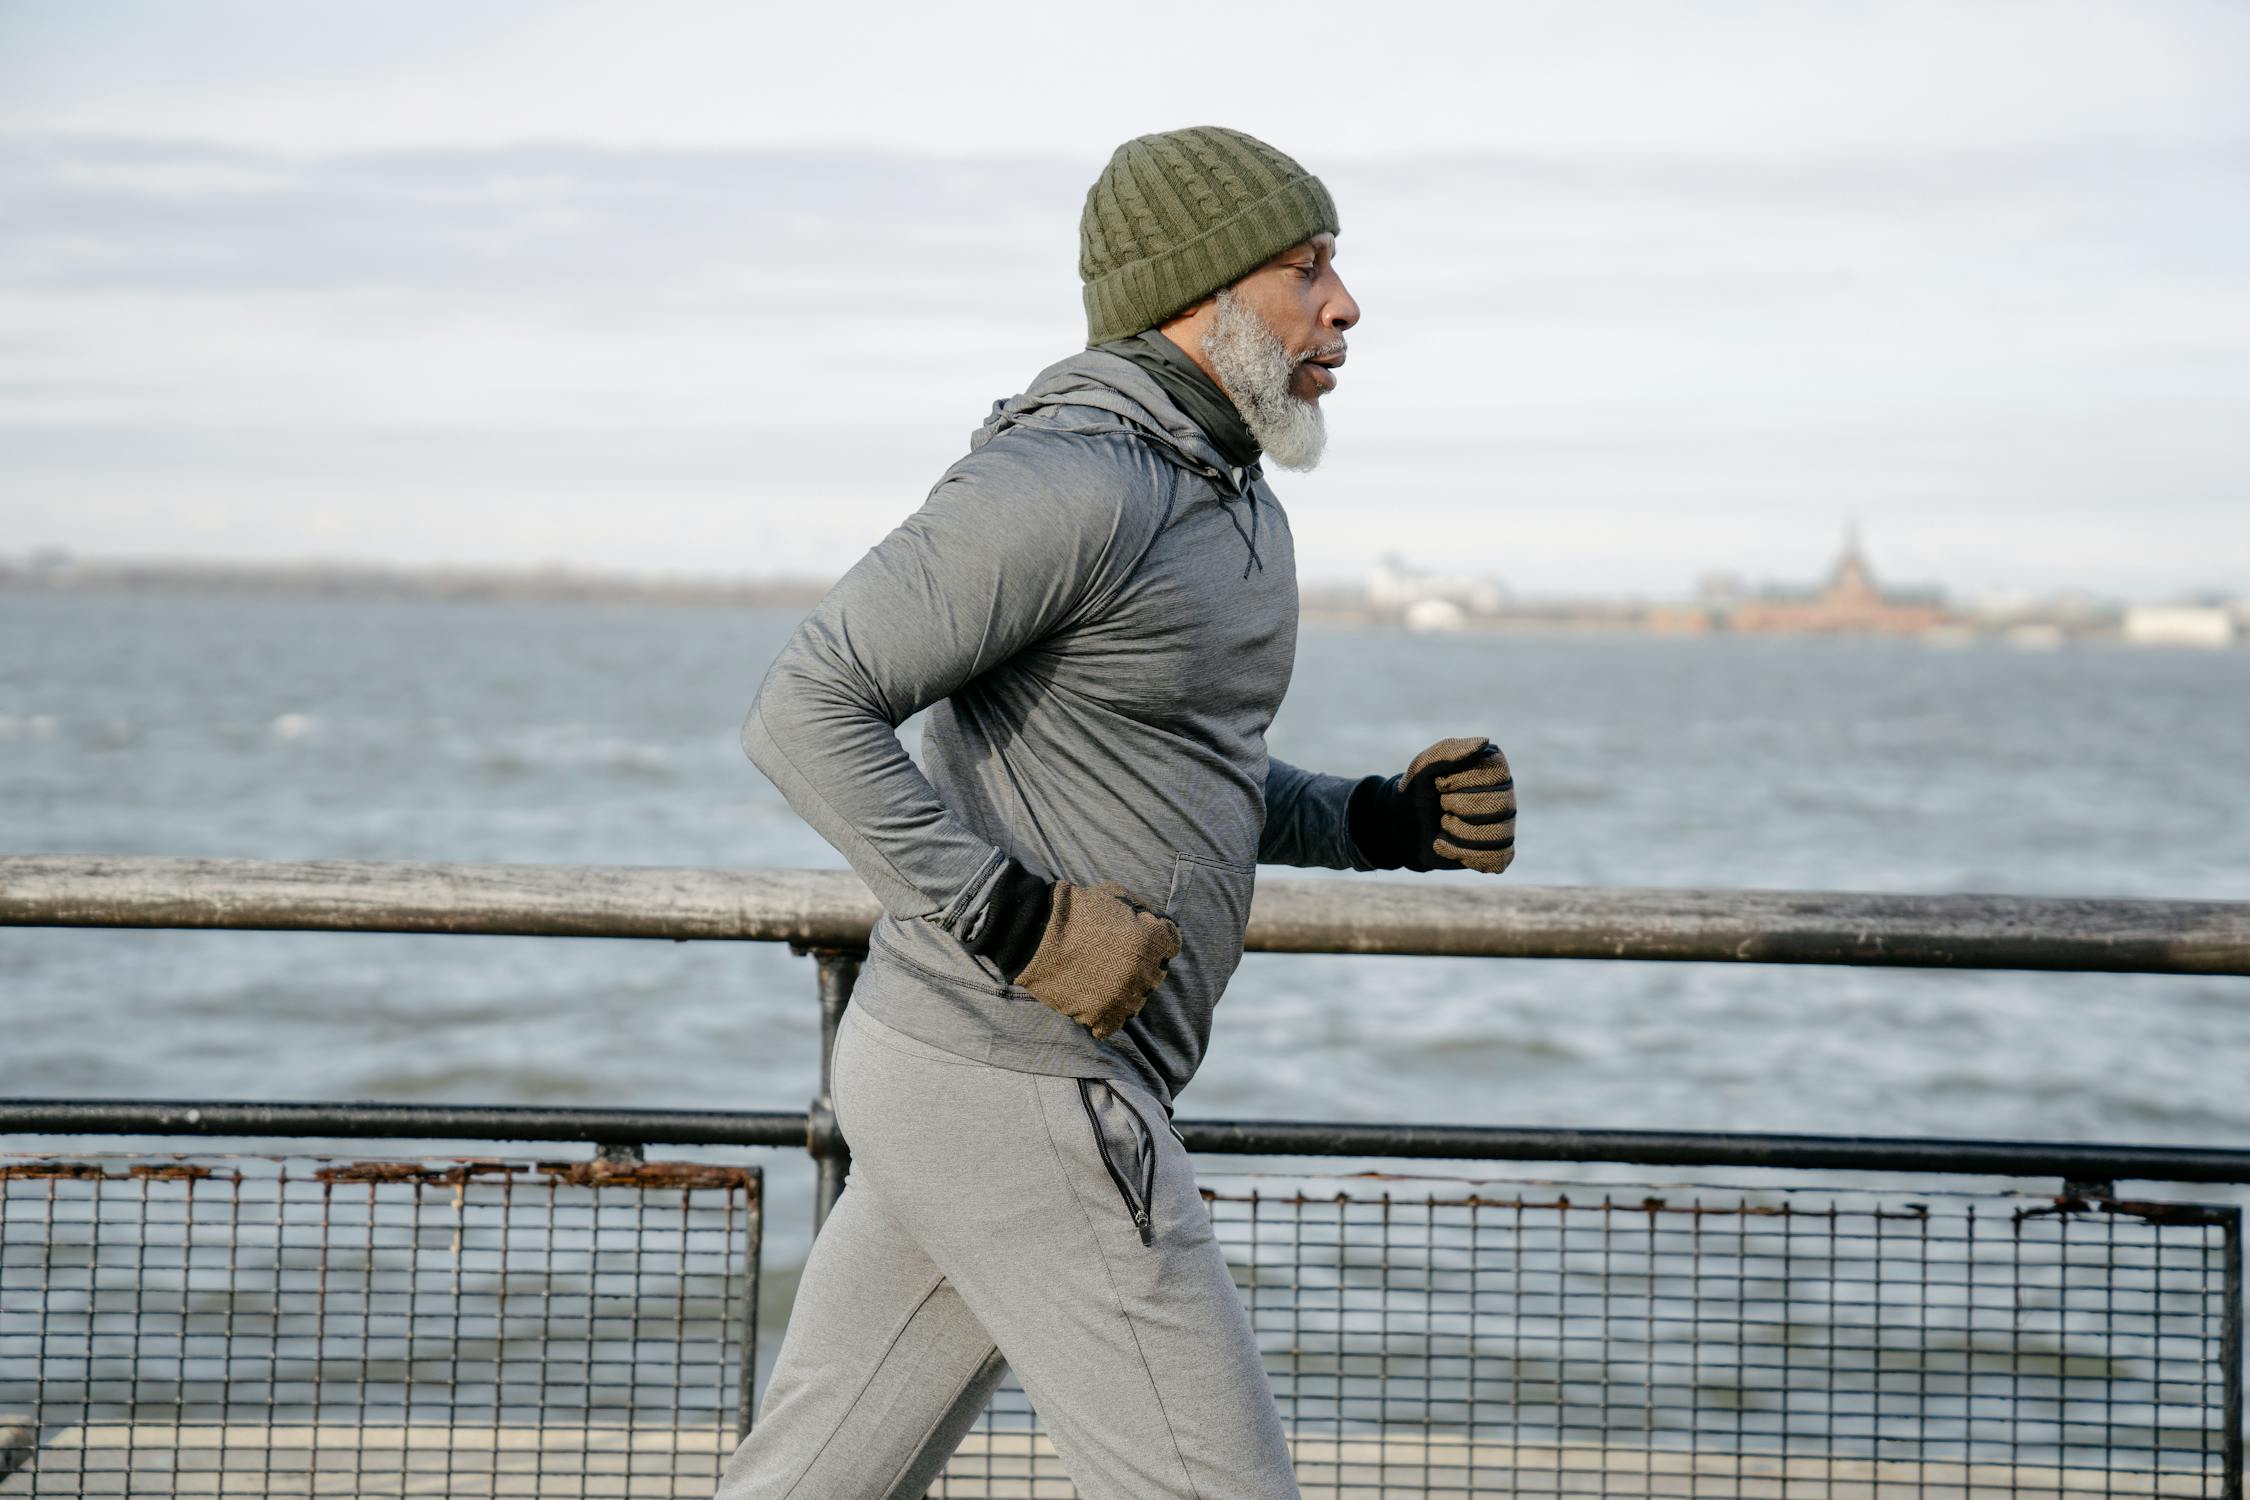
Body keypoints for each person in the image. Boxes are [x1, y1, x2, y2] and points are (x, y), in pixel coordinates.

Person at [714, 125, 1517, 1500]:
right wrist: (1016, 921)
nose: (1344, 305)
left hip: (979, 1081)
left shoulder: (1226, 494)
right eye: (1303, 269)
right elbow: (804, 708)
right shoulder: (1072, 477)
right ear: (1196, 295)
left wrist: (1372, 818)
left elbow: (1178, 772)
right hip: (1017, 1071)